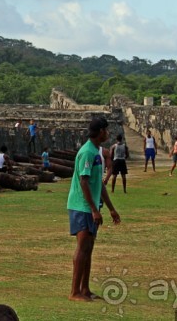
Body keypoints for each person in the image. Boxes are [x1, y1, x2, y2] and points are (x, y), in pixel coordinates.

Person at [67, 117, 120, 301]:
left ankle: (85, 289)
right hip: (81, 206)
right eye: (106, 130)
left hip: (90, 206)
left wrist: (111, 208)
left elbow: (99, 185)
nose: (108, 133)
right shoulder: (87, 152)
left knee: (89, 249)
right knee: (82, 248)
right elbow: (83, 181)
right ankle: (74, 292)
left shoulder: (96, 152)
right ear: (100, 132)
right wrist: (93, 209)